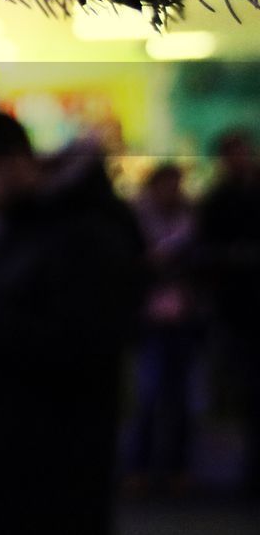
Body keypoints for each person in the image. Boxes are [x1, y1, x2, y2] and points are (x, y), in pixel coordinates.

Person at [0, 109, 144, 535]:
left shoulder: (88, 231)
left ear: (15, 160)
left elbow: (81, 344)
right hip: (6, 455)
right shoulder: (16, 227)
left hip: (53, 462)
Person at [128, 163, 202, 494]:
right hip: (150, 318)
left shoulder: (192, 219)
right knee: (150, 396)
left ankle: (177, 468)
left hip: (185, 317)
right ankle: (140, 468)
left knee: (182, 398)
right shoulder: (137, 221)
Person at [198, 130, 260, 495]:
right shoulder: (219, 200)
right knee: (245, 391)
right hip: (237, 311)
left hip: (240, 308)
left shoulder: (224, 198)